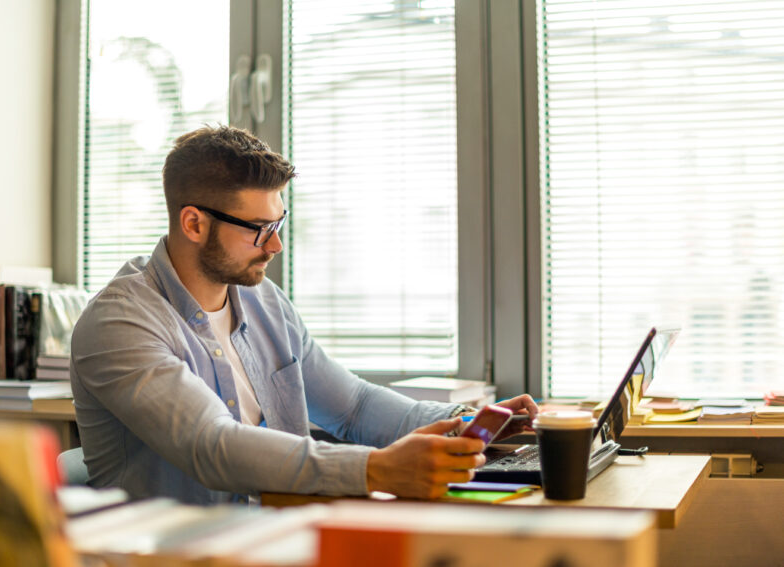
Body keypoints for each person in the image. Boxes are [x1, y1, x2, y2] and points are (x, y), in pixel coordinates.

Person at [70, 125, 538, 505]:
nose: (274, 245)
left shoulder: (262, 300)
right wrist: (376, 469)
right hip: (173, 555)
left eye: (278, 224)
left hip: (278, 538)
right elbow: (211, 446)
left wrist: (470, 419)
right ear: (194, 223)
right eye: (258, 229)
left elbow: (352, 406)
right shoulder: (119, 323)